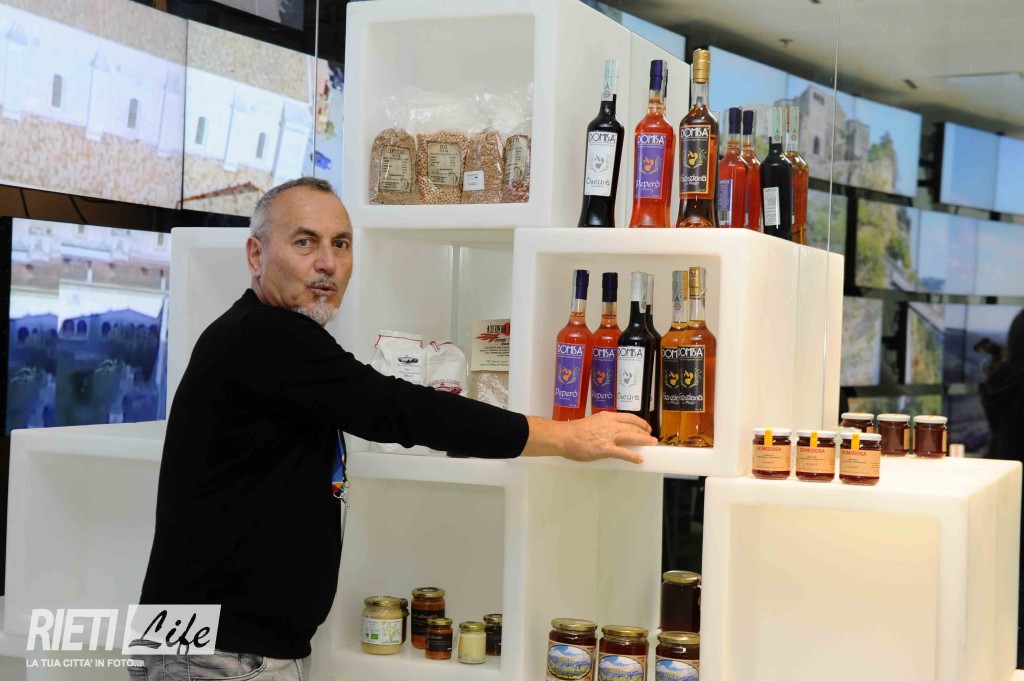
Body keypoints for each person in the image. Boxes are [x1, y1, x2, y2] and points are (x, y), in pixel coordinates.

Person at [134, 177, 655, 680]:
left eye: (341, 244)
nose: (328, 263)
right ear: (256, 255)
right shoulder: (268, 337)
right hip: (220, 655)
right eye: (304, 242)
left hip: (211, 645)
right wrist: (565, 437)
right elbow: (401, 409)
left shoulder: (255, 334)